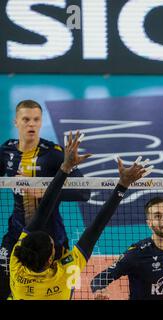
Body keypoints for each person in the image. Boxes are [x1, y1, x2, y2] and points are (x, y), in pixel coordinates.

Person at [8, 131, 153, 300]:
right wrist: (66, 168)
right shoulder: (26, 264)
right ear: (50, 261)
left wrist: (122, 186)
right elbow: (46, 213)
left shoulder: (17, 266)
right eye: (53, 245)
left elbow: (93, 230)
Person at [0, 100, 91, 299]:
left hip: (52, 240)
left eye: (36, 119)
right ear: (16, 122)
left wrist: (44, 191)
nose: (31, 124)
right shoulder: (6, 152)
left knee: (62, 292)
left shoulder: (54, 154)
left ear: (41, 122)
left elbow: (85, 192)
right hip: (17, 236)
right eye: (26, 119)